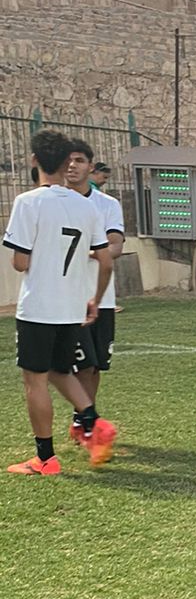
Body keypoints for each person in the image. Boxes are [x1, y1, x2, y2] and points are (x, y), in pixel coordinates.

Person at [4, 130, 116, 474]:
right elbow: (106, 260)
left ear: (34, 160)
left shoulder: (28, 202)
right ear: (67, 161)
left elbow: (20, 262)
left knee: (35, 380)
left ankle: (45, 459)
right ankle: (95, 423)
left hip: (39, 306)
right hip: (71, 306)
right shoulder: (87, 205)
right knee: (58, 370)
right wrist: (95, 300)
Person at [64, 142, 125, 433]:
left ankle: (83, 418)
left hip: (102, 296)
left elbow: (115, 246)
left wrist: (91, 252)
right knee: (82, 364)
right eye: (68, 160)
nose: (72, 165)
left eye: (79, 160)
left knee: (96, 364)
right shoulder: (56, 202)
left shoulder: (107, 205)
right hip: (69, 297)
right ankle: (86, 422)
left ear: (91, 166)